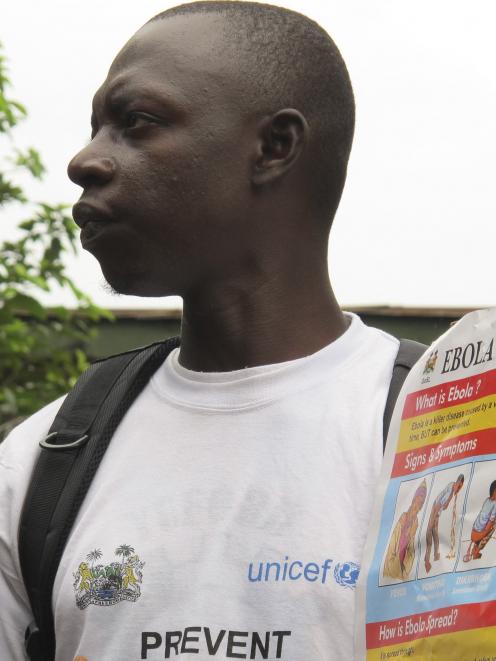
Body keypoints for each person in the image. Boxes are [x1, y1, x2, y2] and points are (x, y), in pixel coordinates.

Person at [0, 3, 401, 660]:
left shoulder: (444, 441)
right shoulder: (43, 462)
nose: (84, 160)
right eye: (96, 127)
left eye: (137, 123)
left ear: (274, 147)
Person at [383, 479, 427, 581]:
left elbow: (411, 551)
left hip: (402, 570)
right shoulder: (403, 518)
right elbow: (393, 547)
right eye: (417, 500)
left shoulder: (415, 522)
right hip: (392, 567)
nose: (418, 505)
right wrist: (409, 533)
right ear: (413, 500)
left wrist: (411, 534)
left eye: (421, 503)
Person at [424, 474, 464, 573]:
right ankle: (429, 558)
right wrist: (438, 509)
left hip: (438, 508)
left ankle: (434, 557)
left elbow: (445, 505)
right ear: (457, 481)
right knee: (430, 530)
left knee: (433, 531)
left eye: (460, 486)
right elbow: (443, 501)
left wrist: (441, 508)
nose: (458, 487)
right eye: (458, 484)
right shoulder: (451, 486)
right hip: (437, 506)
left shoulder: (453, 489)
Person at [464, 479, 496, 562]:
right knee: (492, 526)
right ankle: (476, 552)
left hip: (474, 530)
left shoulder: (487, 500)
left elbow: (481, 516)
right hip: (479, 534)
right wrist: (484, 533)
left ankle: (474, 549)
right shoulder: (495, 504)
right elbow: (490, 523)